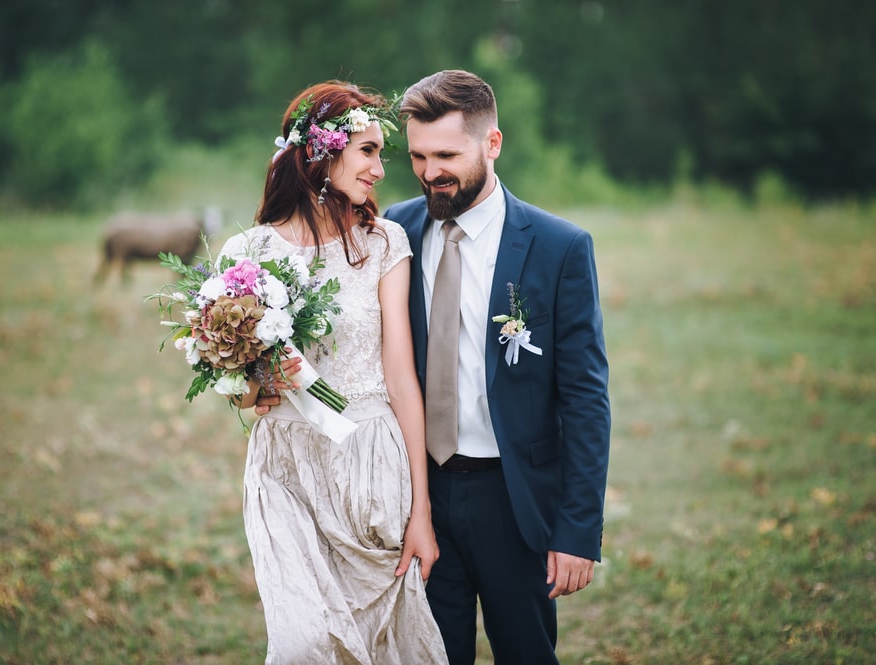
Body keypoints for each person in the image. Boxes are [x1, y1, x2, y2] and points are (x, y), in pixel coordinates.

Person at [380, 70, 612, 664]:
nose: (432, 172)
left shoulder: (559, 247)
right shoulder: (392, 233)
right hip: (418, 494)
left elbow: (586, 397)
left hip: (514, 498)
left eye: (447, 155)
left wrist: (577, 530)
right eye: (419, 156)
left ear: (493, 144)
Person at [218, 81, 447, 664]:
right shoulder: (248, 253)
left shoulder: (383, 242)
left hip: (368, 460)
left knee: (385, 648)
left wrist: (422, 510)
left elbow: (401, 378)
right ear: (322, 152)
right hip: (283, 469)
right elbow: (239, 382)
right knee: (303, 646)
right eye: (367, 150)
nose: (378, 168)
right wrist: (250, 393)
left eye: (380, 153)